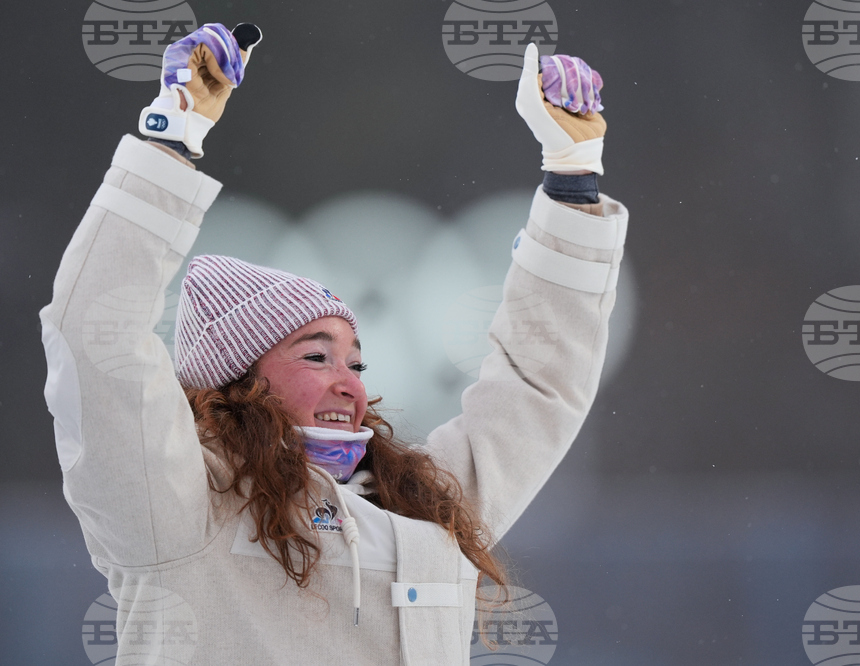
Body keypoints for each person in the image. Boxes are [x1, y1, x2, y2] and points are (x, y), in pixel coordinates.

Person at [40, 22, 628, 665]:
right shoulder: (176, 505)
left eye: (356, 362)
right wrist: (170, 140)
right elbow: (96, 337)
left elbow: (538, 384)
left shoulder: (426, 505)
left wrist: (573, 181)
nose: (350, 384)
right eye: (316, 356)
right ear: (238, 381)